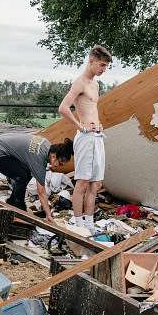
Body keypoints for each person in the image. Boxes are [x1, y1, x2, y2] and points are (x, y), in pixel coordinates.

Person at [59, 45, 113, 233]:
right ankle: (78, 223)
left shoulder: (95, 85)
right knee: (82, 183)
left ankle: (89, 223)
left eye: (106, 66)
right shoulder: (80, 82)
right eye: (102, 65)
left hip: (97, 136)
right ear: (91, 61)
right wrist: (80, 126)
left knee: (96, 184)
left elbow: (92, 109)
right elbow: (63, 108)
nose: (103, 70)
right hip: (85, 137)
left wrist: (98, 124)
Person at [0, 133, 74, 222]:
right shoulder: (39, 159)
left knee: (26, 174)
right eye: (60, 164)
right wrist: (48, 215)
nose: (60, 167)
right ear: (54, 156)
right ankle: (20, 208)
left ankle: (11, 201)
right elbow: (41, 191)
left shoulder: (46, 145)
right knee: (21, 176)